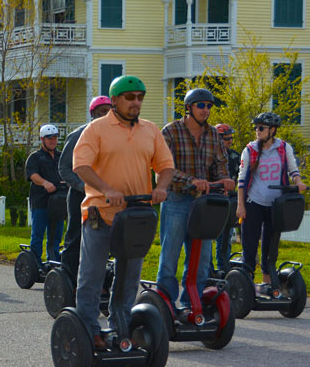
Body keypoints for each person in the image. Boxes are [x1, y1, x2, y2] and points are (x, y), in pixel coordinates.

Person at [72, 75, 174, 350]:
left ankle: (121, 329)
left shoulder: (151, 130)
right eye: (130, 97)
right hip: (101, 214)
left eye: (140, 97)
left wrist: (161, 187)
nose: (136, 102)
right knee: (91, 278)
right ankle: (89, 330)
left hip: (135, 216)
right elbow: (81, 166)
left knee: (129, 278)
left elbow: (165, 166)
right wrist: (106, 189)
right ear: (115, 100)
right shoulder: (96, 129)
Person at [156, 88, 233, 314]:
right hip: (177, 199)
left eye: (209, 106)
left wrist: (224, 179)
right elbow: (164, 167)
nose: (206, 110)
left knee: (202, 259)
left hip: (204, 204)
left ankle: (192, 304)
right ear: (188, 107)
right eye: (201, 105)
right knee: (170, 254)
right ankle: (165, 305)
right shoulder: (170, 131)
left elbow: (220, 164)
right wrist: (192, 180)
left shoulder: (213, 135)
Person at [236, 112, 307, 297]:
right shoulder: (250, 150)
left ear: (272, 130)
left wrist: (298, 182)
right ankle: (247, 283)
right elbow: (242, 179)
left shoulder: (283, 148)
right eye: (256, 128)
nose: (257, 131)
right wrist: (240, 205)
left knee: (270, 244)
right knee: (249, 244)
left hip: (276, 205)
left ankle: (267, 283)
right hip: (253, 203)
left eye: (261, 128)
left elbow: (293, 169)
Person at [58, 96, 112, 282]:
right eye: (102, 111)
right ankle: (68, 279)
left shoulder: (114, 137)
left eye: (109, 110)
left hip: (105, 198)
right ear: (93, 113)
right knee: (75, 237)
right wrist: (83, 186)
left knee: (102, 240)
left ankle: (98, 280)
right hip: (79, 197)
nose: (106, 114)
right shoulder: (78, 135)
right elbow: (64, 168)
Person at [26, 124, 64, 267]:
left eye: (55, 138)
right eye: (49, 138)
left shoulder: (61, 156)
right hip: (41, 203)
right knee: (38, 235)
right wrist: (44, 183)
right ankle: (35, 265)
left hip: (58, 204)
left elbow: (68, 170)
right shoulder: (35, 157)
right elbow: (32, 175)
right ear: (42, 139)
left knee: (55, 236)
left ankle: (53, 263)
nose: (53, 141)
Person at [213, 123, 241, 274]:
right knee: (210, 238)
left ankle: (224, 269)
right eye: (226, 138)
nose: (230, 140)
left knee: (226, 237)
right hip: (212, 202)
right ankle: (209, 269)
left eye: (231, 137)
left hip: (229, 202)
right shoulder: (209, 155)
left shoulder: (235, 156)